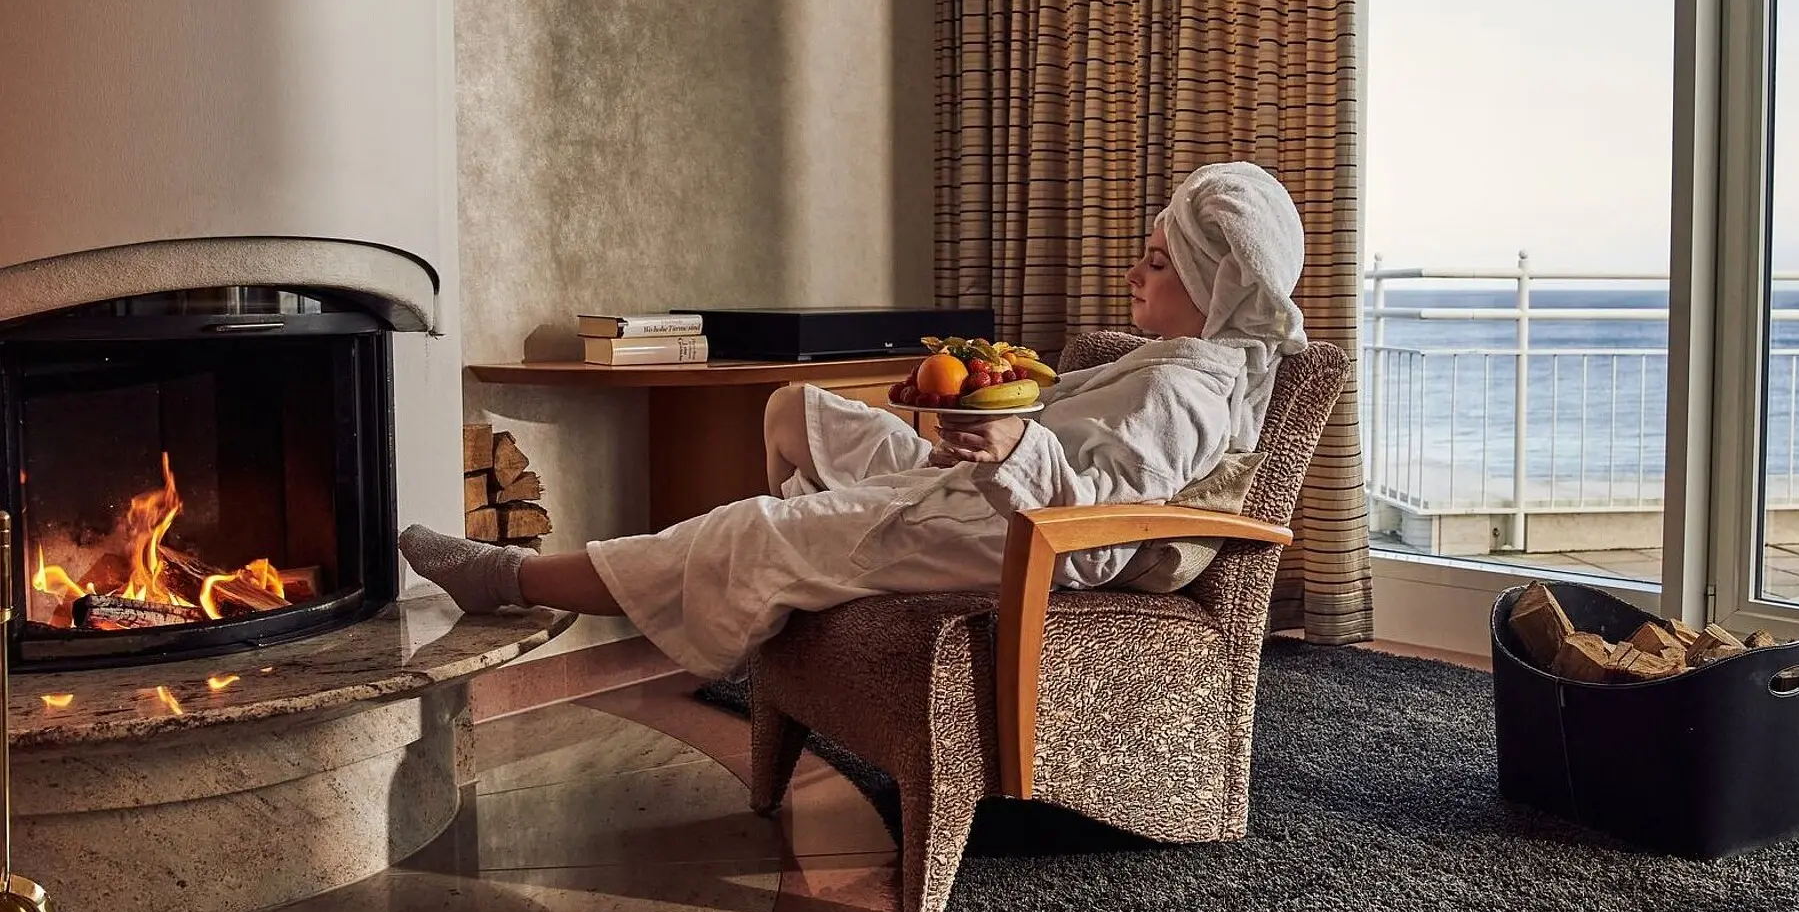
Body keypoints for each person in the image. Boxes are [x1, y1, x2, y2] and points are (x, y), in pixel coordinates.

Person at [399, 161, 1308, 677]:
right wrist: (991, 426)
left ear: (1214, 285)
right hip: (981, 483)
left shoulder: (1186, 392)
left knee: (755, 527)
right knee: (796, 408)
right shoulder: (1165, 362)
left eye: (1156, 262)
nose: (1134, 276)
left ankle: (512, 579)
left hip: (1009, 534)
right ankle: (807, 572)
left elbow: (1097, 541)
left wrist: (1015, 445)